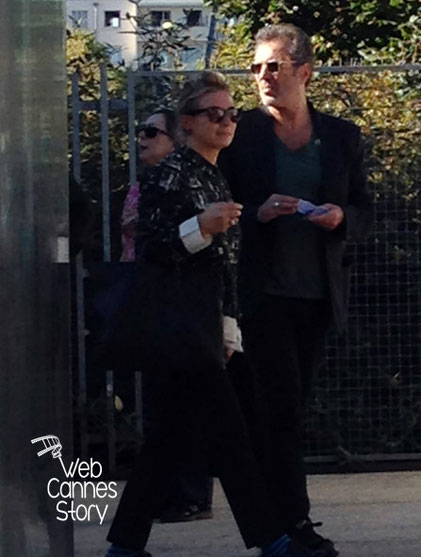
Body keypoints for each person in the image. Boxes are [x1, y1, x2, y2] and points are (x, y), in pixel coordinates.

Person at [106, 71, 310, 557]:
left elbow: (225, 266)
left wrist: (228, 327)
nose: (225, 122)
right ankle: (274, 540)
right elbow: (151, 251)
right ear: (187, 123)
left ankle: (125, 545)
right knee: (233, 437)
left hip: (202, 326)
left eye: (231, 113)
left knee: (167, 441)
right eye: (212, 114)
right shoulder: (169, 175)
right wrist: (200, 226)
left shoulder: (213, 173)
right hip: (179, 328)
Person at [218, 23, 373, 557]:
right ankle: (291, 527)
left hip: (317, 297)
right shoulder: (242, 134)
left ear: (304, 72)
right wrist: (255, 214)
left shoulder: (342, 137)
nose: (263, 77)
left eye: (275, 67)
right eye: (256, 67)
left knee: (287, 409)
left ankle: (276, 527)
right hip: (261, 297)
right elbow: (219, 208)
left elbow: (368, 211)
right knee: (279, 410)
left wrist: (340, 218)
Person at [119, 107, 215, 523]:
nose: (142, 139)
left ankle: (190, 495)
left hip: (181, 302)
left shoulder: (188, 182)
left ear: (175, 139)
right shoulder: (146, 184)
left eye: (151, 132)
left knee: (190, 403)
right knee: (163, 403)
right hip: (148, 300)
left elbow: (170, 236)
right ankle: (165, 496)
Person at [120, 109, 177, 262]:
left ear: (174, 141)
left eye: (152, 131)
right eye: (141, 130)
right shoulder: (139, 186)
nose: (142, 135)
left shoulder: (184, 185)